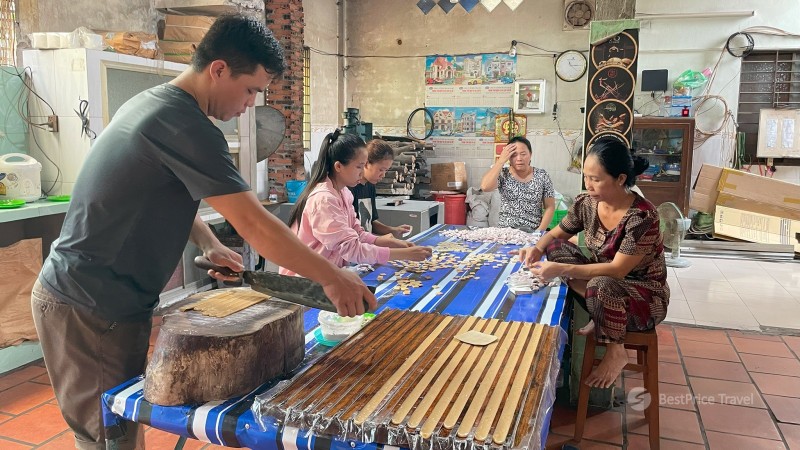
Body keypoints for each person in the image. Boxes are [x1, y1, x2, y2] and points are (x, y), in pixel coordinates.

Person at [31, 15, 376, 450]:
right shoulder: (184, 123)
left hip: (108, 301)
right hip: (87, 303)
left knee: (120, 431)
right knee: (107, 437)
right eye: (250, 89)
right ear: (218, 69)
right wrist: (331, 276)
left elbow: (161, 193)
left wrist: (209, 242)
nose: (251, 103)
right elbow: (253, 223)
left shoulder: (154, 105)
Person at [517, 137, 669, 389]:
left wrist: (561, 269)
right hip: (603, 284)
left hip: (643, 297)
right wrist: (536, 248)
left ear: (620, 179)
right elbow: (556, 234)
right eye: (586, 177)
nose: (588, 185)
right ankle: (600, 312)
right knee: (555, 248)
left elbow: (618, 270)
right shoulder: (587, 203)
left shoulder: (642, 216)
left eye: (596, 179)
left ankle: (616, 350)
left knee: (601, 286)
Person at [280, 131, 432, 276]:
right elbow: (351, 250)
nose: (361, 172)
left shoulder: (344, 192)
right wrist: (402, 254)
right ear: (338, 166)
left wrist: (383, 241)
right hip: (305, 279)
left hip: (328, 273)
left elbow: (356, 232)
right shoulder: (324, 200)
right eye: (359, 166)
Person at [480, 136, 555, 232]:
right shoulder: (503, 174)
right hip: (506, 231)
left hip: (533, 230)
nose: (519, 158)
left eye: (523, 154)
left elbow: (550, 206)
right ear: (508, 157)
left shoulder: (542, 175)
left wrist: (539, 232)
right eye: (514, 155)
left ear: (530, 154)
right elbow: (485, 187)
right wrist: (500, 161)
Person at [349, 139, 413, 238]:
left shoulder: (370, 186)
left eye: (386, 170)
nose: (383, 175)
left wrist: (392, 230)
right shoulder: (349, 189)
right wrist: (379, 240)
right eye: (381, 170)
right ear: (366, 164)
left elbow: (371, 221)